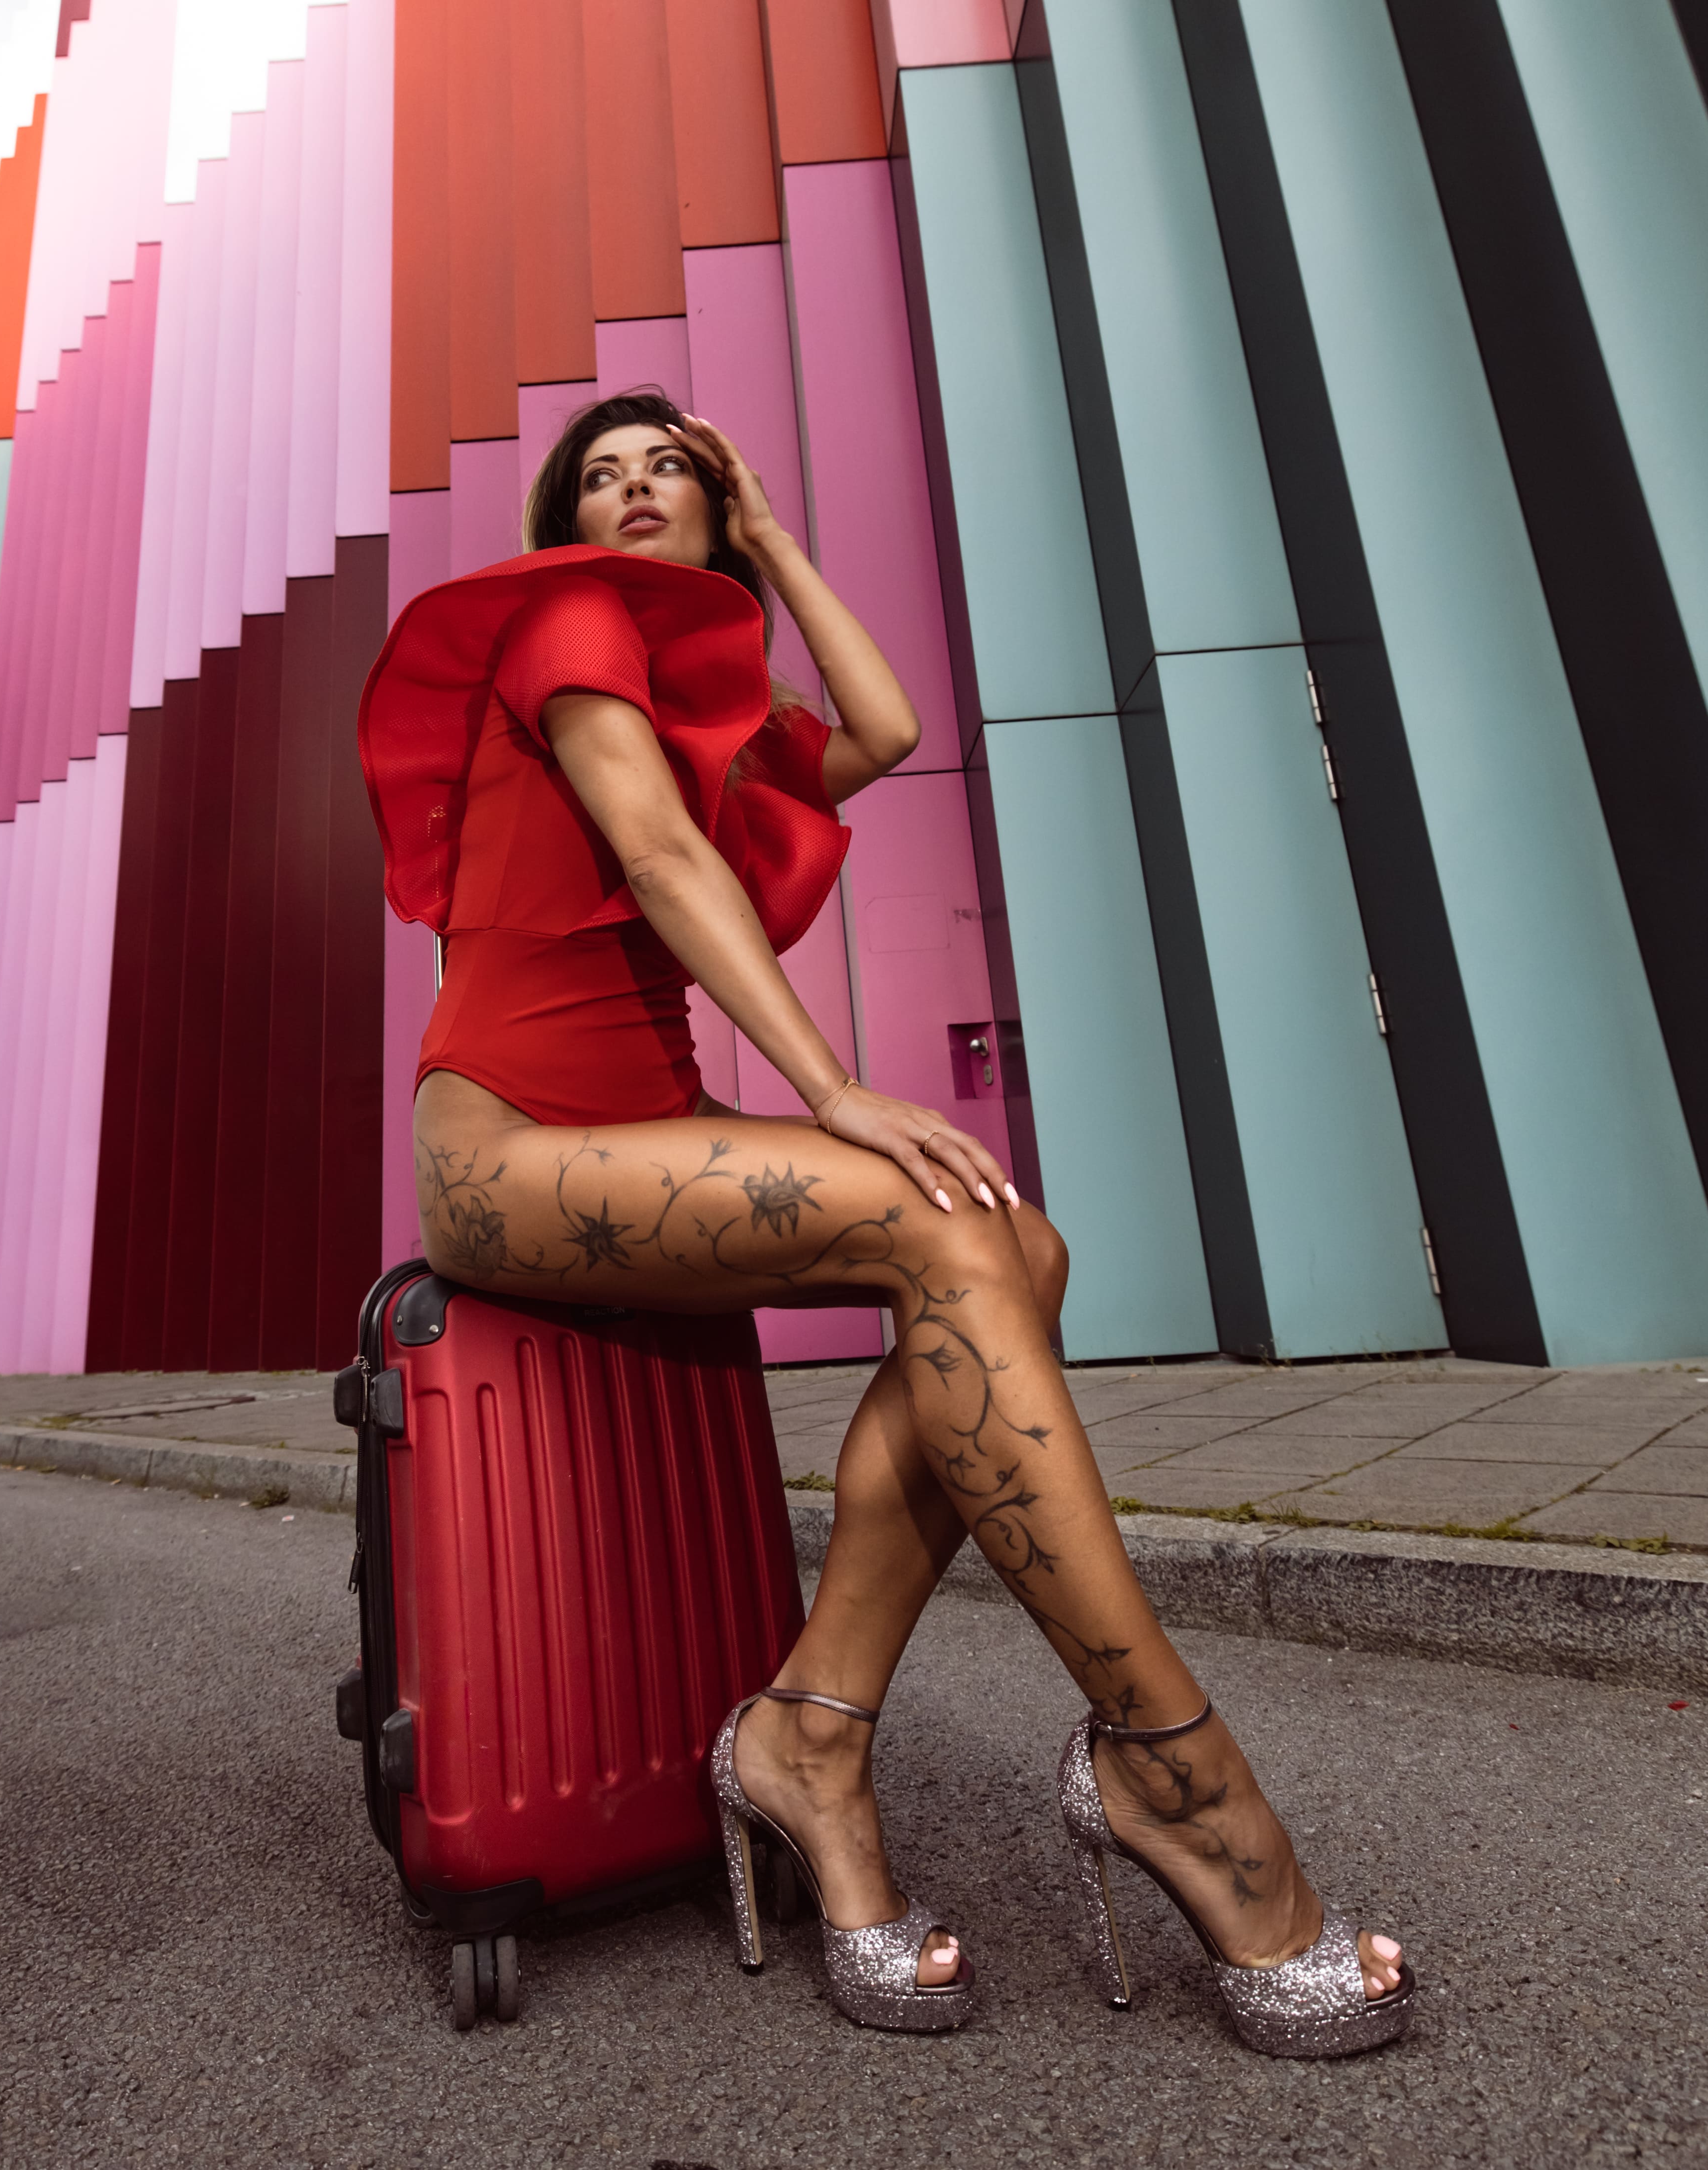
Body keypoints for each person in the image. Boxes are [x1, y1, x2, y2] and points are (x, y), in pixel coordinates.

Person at [360, 390, 1413, 2053]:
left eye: (671, 471)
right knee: (950, 1228)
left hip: (647, 1137)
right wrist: (833, 1086)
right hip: (511, 1143)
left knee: (1018, 1247)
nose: (635, 491)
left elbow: (887, 725)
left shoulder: (708, 710)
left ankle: (812, 1737)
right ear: (565, 527)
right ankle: (1177, 1771)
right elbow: (656, 855)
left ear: (716, 512)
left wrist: (775, 538)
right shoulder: (565, 625)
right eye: (602, 476)